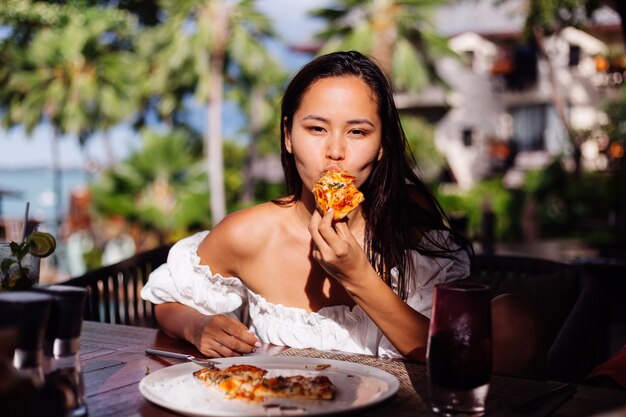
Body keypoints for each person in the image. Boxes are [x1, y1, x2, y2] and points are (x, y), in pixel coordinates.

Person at [141, 50, 472, 362]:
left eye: (357, 131)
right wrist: (196, 327)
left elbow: (448, 355)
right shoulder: (248, 233)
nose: (335, 151)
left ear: (382, 146)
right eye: (316, 128)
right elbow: (168, 299)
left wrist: (358, 277)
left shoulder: (409, 220)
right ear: (287, 135)